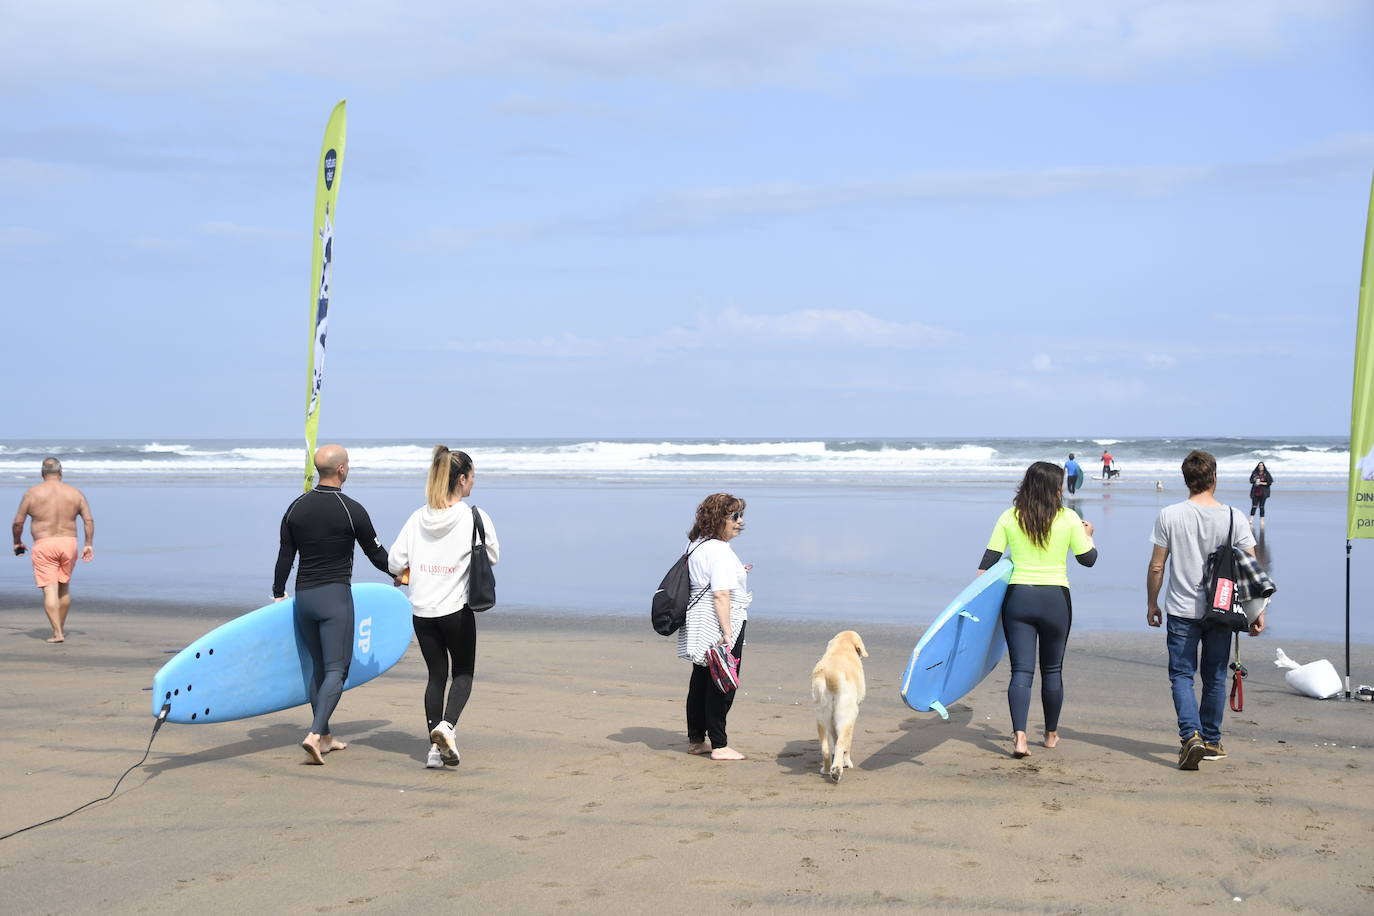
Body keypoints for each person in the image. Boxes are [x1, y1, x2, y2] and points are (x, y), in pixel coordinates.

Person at [273, 444, 395, 765]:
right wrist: (404, 574)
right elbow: (378, 556)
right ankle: (314, 734)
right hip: (334, 599)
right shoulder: (350, 509)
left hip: (304, 599)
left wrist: (277, 592)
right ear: (342, 469)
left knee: (317, 667)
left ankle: (325, 737)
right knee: (336, 670)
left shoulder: (295, 507)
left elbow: (285, 556)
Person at [1147, 450, 1265, 770]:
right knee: (1214, 676)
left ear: (1186, 479)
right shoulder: (1233, 516)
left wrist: (1151, 603)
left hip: (1181, 609)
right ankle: (1211, 739)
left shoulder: (1169, 515)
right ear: (1214, 477)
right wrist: (1257, 612)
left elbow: (1158, 566)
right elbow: (1251, 568)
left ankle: (1191, 736)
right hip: (1222, 608)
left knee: (1182, 675)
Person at [388, 446, 499, 769]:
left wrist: (412, 570)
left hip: (422, 611)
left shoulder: (417, 517)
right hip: (456, 610)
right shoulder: (473, 516)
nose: (474, 483)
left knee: (436, 676)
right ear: (461, 479)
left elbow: (396, 561)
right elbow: (492, 556)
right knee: (463, 673)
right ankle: (446, 726)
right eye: (473, 477)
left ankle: (434, 752)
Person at [978, 462, 1096, 758]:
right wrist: (1089, 534)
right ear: (1055, 489)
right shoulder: (1070, 518)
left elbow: (988, 562)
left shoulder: (1009, 517)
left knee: (1021, 671)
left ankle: (1020, 738)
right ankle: (1051, 735)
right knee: (1052, 670)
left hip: (1018, 600)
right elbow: (1088, 559)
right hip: (1056, 600)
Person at [678, 493, 751, 761]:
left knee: (700, 679)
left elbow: (704, 579)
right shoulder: (719, 550)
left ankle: (697, 740)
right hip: (719, 619)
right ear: (718, 517)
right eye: (734, 516)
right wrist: (727, 632)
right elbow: (721, 594)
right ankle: (720, 745)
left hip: (697, 619)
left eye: (741, 515)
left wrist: (738, 571)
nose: (740, 521)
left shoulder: (696, 544)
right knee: (723, 680)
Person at [11, 457, 94, 643]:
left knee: (50, 589)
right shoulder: (75, 493)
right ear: (61, 472)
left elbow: (18, 522)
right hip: (69, 543)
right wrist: (88, 543)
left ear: (42, 473)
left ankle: (57, 633)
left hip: (44, 544)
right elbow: (88, 520)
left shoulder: (32, 494)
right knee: (63, 589)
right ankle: (60, 628)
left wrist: (17, 542)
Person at [1249, 462, 1273, 527]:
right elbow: (1251, 481)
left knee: (1261, 507)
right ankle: (1251, 519)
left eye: (1262, 465)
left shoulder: (1266, 474)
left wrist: (1261, 483)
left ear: (1263, 466)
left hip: (1263, 492)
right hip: (1255, 492)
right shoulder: (1254, 473)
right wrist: (1255, 481)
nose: (1260, 467)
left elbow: (1270, 482)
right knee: (1254, 506)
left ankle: (1262, 520)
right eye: (1259, 465)